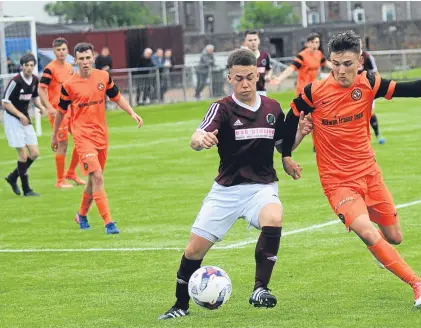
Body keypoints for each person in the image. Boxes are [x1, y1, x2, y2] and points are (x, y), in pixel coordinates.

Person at [280, 31, 421, 308]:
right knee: (368, 231)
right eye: (335, 63)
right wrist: (286, 155)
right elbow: (288, 123)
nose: (340, 70)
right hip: (338, 182)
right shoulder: (313, 93)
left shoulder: (369, 83)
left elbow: (412, 88)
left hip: (370, 174)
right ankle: (418, 283)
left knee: (394, 237)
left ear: (360, 61)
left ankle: (381, 251)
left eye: (347, 63)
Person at [158, 48, 312, 320]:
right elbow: (198, 135)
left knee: (274, 217)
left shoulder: (273, 108)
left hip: (261, 188)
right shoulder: (222, 108)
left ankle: (260, 289)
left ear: (257, 76)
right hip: (226, 192)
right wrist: (199, 141)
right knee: (193, 250)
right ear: (229, 77)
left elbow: (282, 147)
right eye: (238, 78)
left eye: (249, 77)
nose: (244, 83)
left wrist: (298, 135)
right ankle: (180, 305)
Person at [51, 43, 144, 234]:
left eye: (87, 58)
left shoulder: (103, 77)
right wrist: (54, 135)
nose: (85, 62)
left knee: (94, 180)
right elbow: (61, 112)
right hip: (82, 136)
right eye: (81, 59)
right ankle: (109, 223)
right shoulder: (68, 85)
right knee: (98, 177)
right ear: (75, 60)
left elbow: (116, 97)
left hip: (101, 135)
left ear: (93, 58)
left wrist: (132, 113)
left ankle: (81, 214)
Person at [39, 37, 85, 188]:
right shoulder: (49, 68)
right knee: (62, 143)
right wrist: (48, 107)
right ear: (54, 51)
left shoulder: (70, 66)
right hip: (58, 112)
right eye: (58, 50)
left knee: (81, 139)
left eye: (64, 49)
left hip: (71, 110)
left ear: (67, 50)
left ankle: (71, 172)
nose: (61, 52)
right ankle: (60, 180)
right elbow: (41, 88)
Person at [3, 53, 47, 196]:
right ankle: (27, 189)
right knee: (23, 155)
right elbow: (5, 103)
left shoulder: (34, 79)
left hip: (25, 119)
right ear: (22, 66)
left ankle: (12, 177)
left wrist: (40, 107)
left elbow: (34, 96)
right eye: (26, 65)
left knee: (34, 153)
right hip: (12, 119)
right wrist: (20, 115)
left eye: (31, 65)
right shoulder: (15, 81)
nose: (29, 68)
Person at [359, 39, 385, 144]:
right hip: (352, 90)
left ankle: (377, 134)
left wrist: (381, 87)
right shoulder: (348, 57)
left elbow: (375, 72)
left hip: (367, 88)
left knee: (370, 112)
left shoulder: (367, 57)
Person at [244, 30, 273, 96]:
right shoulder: (242, 57)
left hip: (261, 91)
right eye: (250, 40)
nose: (253, 42)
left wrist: (268, 76)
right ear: (245, 42)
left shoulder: (265, 55)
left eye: (255, 40)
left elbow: (269, 69)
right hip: (247, 92)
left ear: (259, 41)